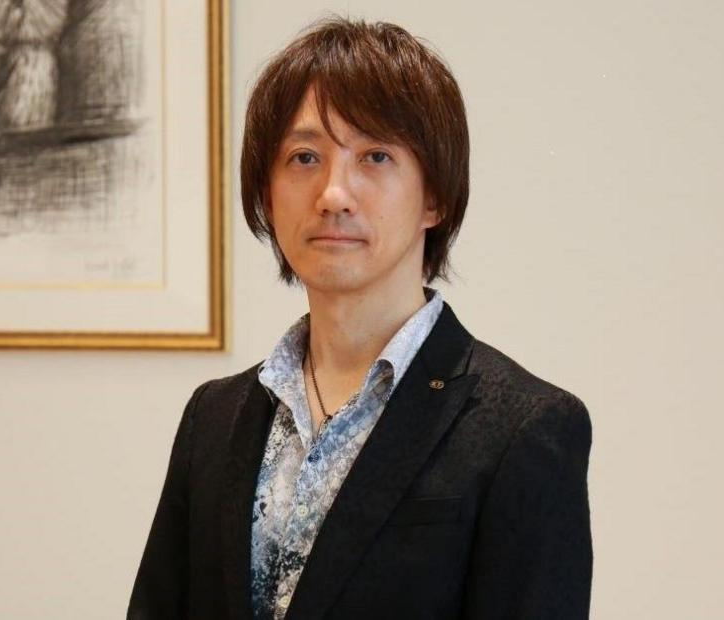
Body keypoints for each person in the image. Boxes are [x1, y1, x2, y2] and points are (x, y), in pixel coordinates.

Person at [128, 16, 593, 620]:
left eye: (374, 156)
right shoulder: (213, 417)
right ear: (266, 192)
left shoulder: (524, 429)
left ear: (436, 197)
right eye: (303, 157)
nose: (332, 193)